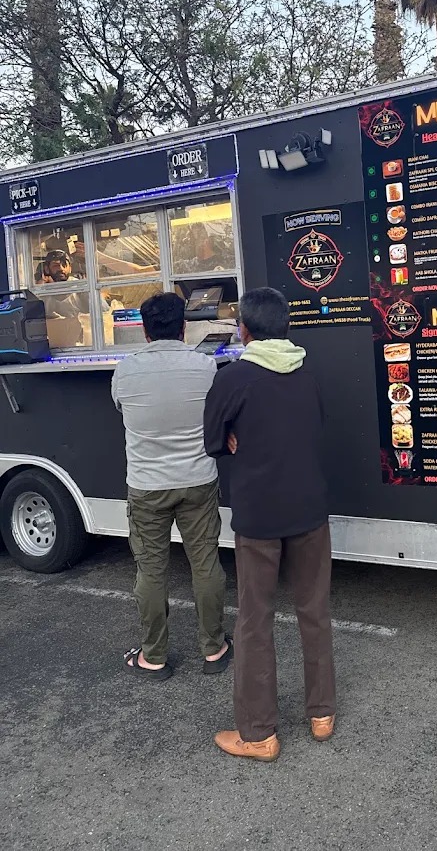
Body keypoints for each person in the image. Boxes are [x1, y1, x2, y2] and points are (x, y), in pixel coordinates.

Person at [204, 287, 334, 762]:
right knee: (314, 609)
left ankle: (259, 734)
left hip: (259, 515)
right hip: (310, 509)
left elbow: (211, 439)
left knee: (255, 619)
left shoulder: (234, 378)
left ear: (244, 329)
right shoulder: (308, 374)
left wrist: (232, 438)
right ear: (286, 327)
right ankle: (322, 714)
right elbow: (314, 428)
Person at [111, 292, 232, 681]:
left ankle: (154, 657)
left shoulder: (125, 371)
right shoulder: (206, 366)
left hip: (147, 486)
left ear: (145, 332)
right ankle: (214, 649)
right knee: (205, 564)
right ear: (183, 328)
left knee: (150, 571)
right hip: (199, 481)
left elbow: (120, 407)